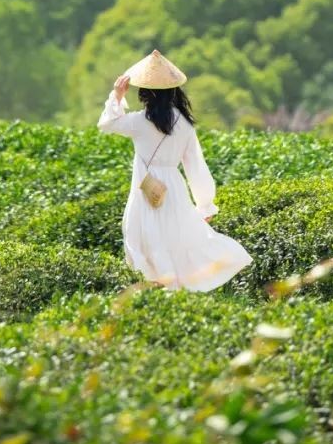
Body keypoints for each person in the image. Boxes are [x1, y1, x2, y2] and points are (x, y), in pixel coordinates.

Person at [97, 49, 251, 292]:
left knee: (144, 239)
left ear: (145, 94)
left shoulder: (139, 122)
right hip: (174, 189)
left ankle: (157, 291)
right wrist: (204, 204)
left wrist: (117, 95)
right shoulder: (185, 125)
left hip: (145, 188)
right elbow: (195, 166)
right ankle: (176, 291)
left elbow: (107, 124)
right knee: (176, 240)